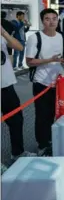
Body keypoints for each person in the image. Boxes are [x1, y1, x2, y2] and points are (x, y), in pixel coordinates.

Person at [26, 8, 64, 156]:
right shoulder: (35, 38)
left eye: (54, 18)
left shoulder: (61, 37)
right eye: (47, 18)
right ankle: (42, 145)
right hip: (42, 83)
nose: (51, 21)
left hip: (59, 83)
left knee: (57, 114)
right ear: (42, 21)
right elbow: (29, 62)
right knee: (43, 116)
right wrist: (50, 60)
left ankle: (53, 141)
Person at [1, 25, 37, 162]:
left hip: (7, 85)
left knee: (16, 120)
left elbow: (19, 47)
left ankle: (17, 153)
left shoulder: (1, 35)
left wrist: (3, 32)